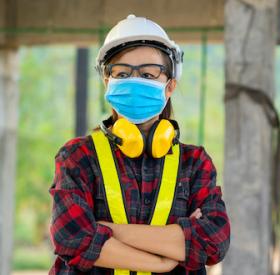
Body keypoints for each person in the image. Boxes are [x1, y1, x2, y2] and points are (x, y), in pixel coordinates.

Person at [48, 14, 230, 274]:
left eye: (147, 73)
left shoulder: (194, 163)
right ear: (107, 82)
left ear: (169, 87)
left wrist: (106, 231)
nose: (134, 81)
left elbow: (214, 242)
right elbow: (71, 237)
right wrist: (164, 260)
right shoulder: (78, 156)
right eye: (122, 73)